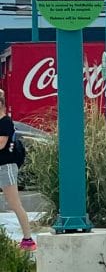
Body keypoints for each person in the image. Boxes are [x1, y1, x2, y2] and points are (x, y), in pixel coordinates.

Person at [0, 91, 35, 251]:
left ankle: (28, 240)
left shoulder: (5, 122)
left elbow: (1, 144)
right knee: (14, 204)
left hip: (5, 167)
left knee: (14, 204)